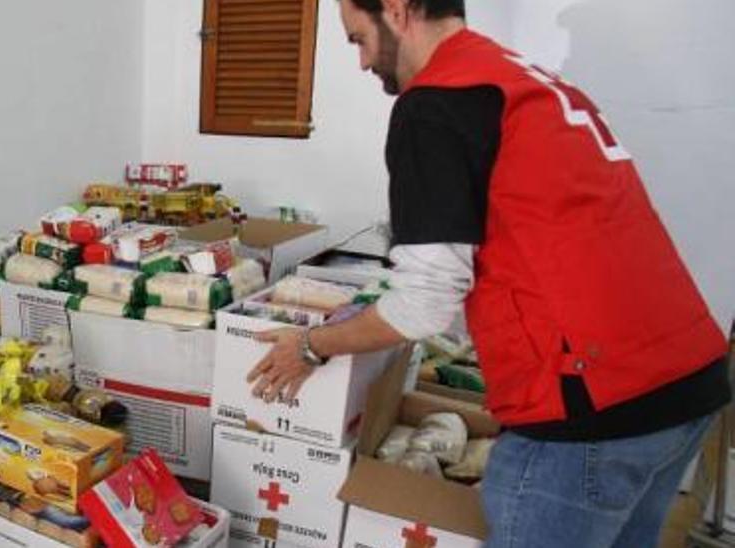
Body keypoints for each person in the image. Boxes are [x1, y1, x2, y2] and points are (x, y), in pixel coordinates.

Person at [244, 0, 731, 545]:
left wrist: (313, 345)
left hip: (591, 407)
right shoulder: (530, 82)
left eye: (358, 39)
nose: (361, 63)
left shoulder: (435, 104)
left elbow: (424, 303)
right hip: (685, 381)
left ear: (398, 10)